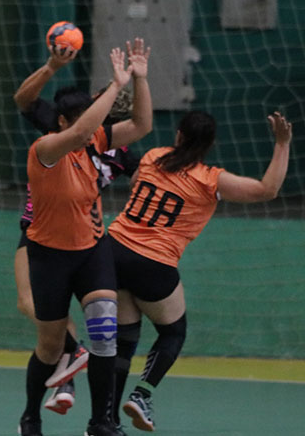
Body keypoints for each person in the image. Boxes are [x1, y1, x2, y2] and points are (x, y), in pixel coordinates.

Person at [107, 110, 292, 432]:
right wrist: (282, 143)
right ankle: (142, 394)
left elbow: (136, 185)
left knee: (125, 339)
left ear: (178, 135)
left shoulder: (154, 156)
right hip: (153, 261)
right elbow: (267, 189)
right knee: (173, 332)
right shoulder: (210, 179)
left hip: (114, 251)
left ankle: (106, 420)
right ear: (210, 144)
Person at [15, 38, 153, 436]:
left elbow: (141, 126)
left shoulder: (98, 141)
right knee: (50, 346)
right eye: (85, 122)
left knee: (105, 335)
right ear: (61, 122)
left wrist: (139, 80)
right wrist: (114, 86)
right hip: (49, 256)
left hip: (92, 251)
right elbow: (79, 132)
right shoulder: (45, 150)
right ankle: (30, 416)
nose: (95, 129)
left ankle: (100, 422)